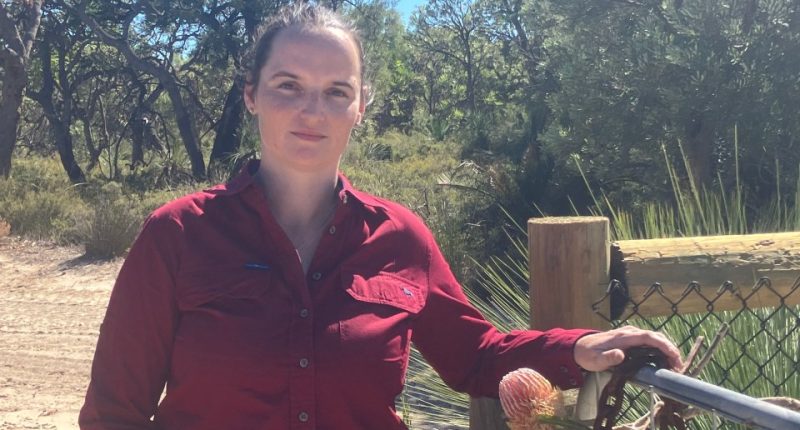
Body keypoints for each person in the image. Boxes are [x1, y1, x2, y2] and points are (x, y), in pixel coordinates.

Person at [79, 4, 682, 429]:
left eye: (336, 91)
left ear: (361, 106)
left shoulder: (400, 238)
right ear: (251, 96)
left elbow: (475, 355)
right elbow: (114, 413)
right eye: (288, 85)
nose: (312, 110)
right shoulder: (178, 235)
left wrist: (580, 347)